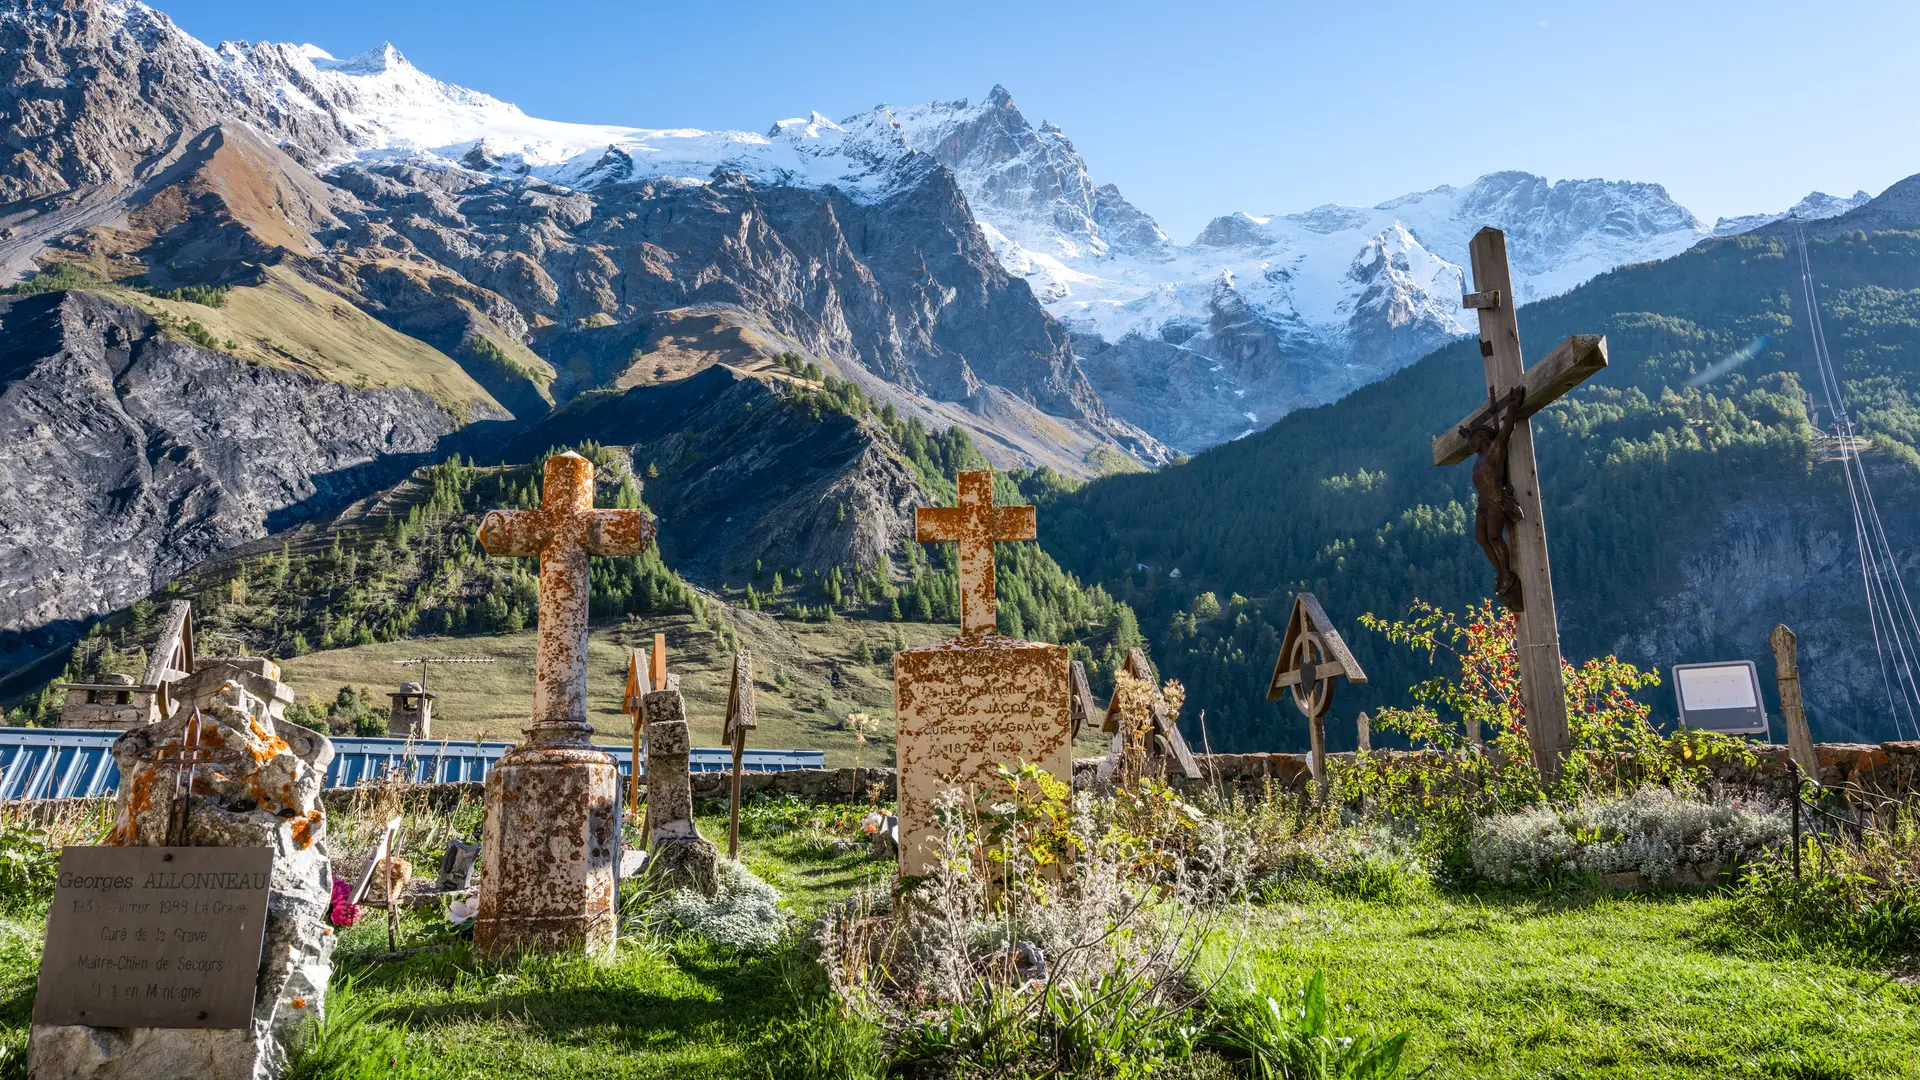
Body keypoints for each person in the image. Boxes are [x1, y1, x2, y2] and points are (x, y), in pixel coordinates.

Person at [1461, 386, 1527, 611]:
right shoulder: (1480, 457)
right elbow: (1471, 445)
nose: (1473, 445)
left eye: (1476, 440)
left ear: (1483, 438)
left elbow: (1507, 428)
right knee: (1481, 538)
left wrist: (1511, 406)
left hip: (1496, 500)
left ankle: (1506, 573)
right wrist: (1468, 435)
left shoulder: (1495, 450)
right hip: (1483, 503)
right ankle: (1501, 572)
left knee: (1493, 536)